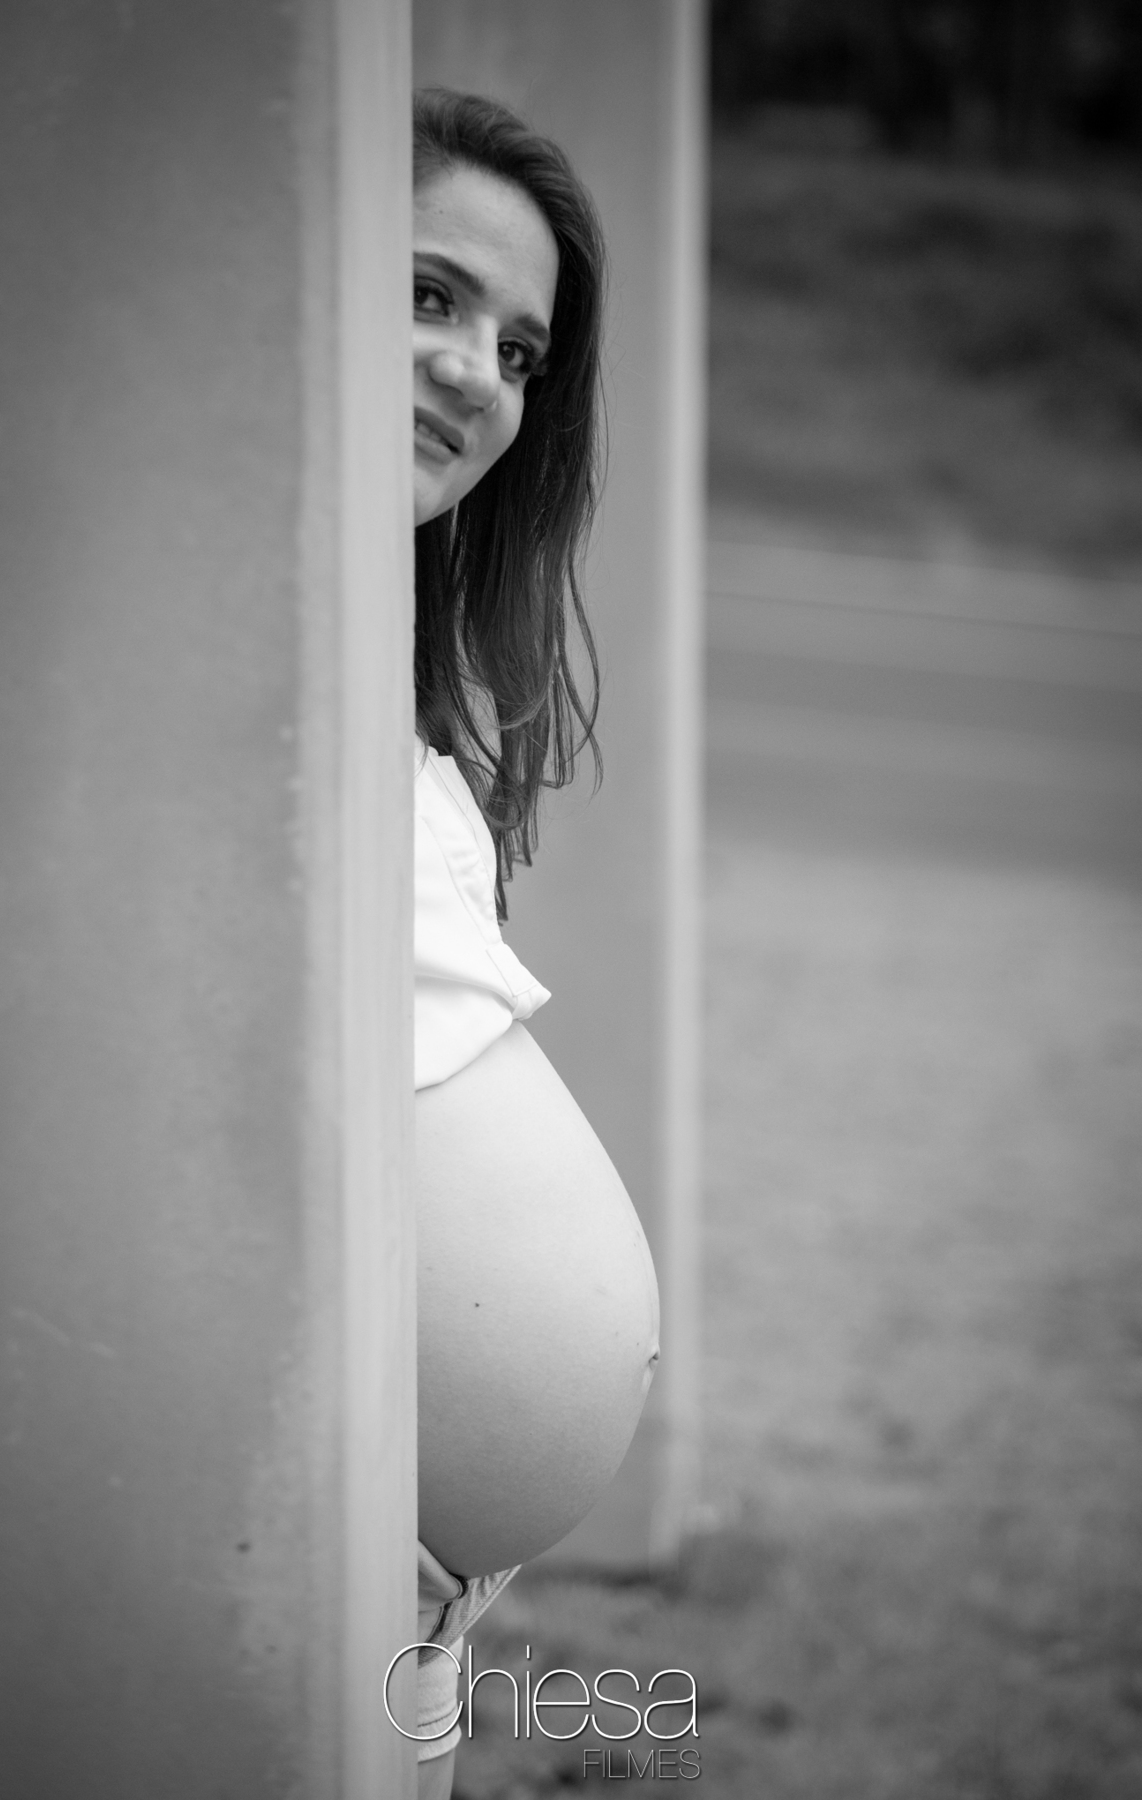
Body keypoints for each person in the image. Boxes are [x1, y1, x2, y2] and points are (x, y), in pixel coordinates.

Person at [409, 90, 661, 1799]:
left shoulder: (395, 682)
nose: (479, 375)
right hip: (271, 1513)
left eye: (520, 349)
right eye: (428, 294)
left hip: (411, 1576)